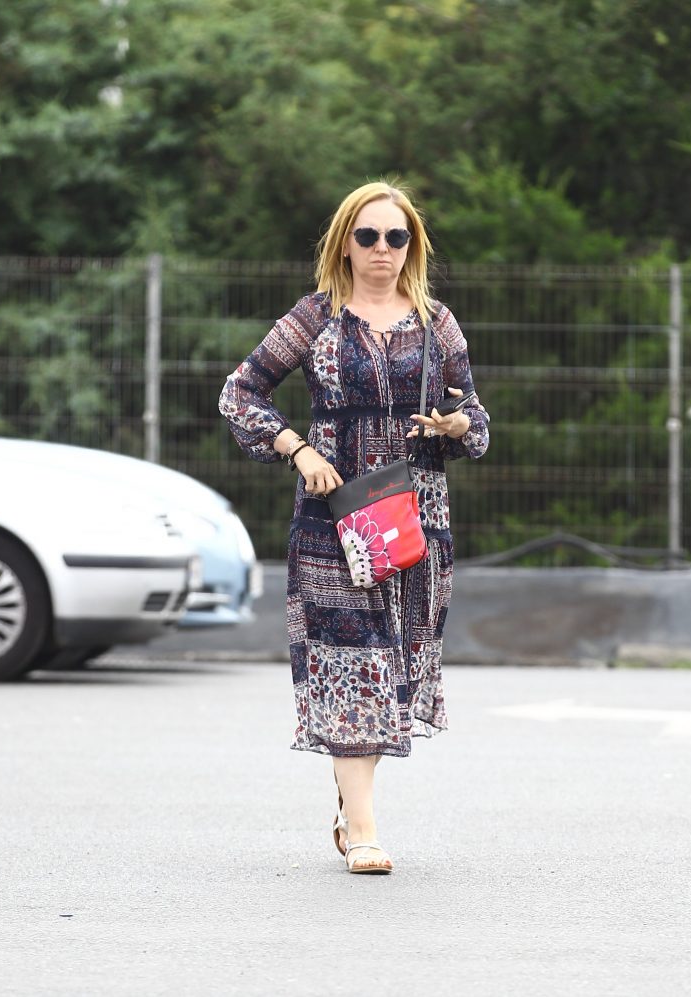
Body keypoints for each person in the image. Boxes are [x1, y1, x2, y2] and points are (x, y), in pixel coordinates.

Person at [218, 180, 489, 874]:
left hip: (415, 518)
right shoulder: (315, 317)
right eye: (367, 236)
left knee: (392, 663)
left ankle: (348, 804)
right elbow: (239, 392)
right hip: (333, 517)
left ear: (412, 246)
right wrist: (298, 449)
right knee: (351, 659)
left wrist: (455, 424)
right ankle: (364, 829)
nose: (382, 249)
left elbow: (478, 422)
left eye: (396, 237)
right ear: (345, 243)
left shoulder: (437, 324)